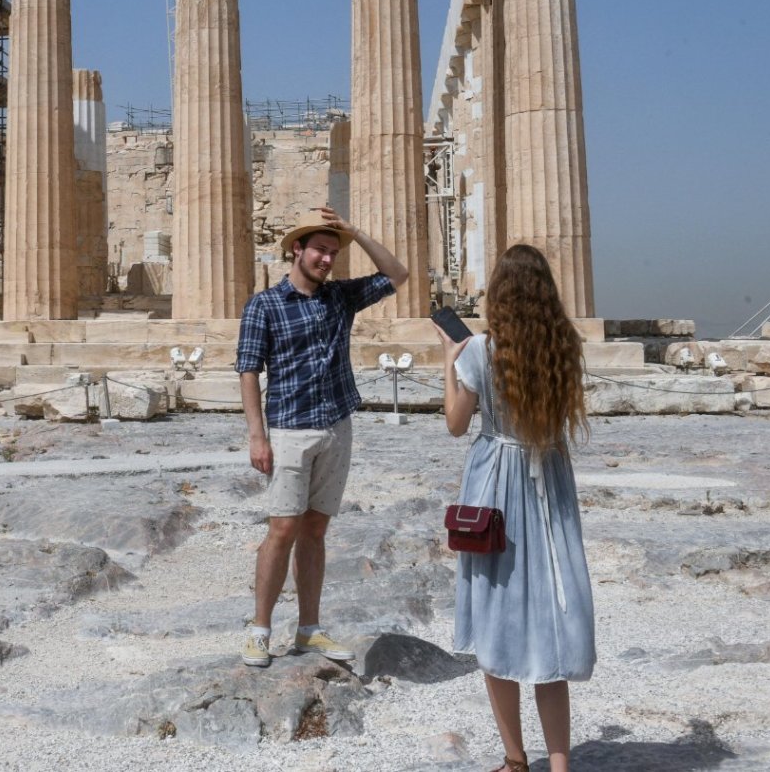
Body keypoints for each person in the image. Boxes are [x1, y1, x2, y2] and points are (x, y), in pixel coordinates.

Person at [442, 244, 595, 772]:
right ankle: (560, 765)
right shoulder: (565, 348)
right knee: (550, 616)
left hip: (496, 488)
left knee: (496, 620)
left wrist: (450, 361)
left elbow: (456, 424)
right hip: (549, 482)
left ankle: (514, 759)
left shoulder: (480, 352)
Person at [234, 207, 408, 667]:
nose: (327, 260)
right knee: (282, 528)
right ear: (298, 250)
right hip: (290, 427)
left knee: (316, 529)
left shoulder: (341, 299)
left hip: (336, 425)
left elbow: (397, 273)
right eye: (320, 250)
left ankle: (309, 629)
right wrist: (257, 436)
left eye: (333, 253)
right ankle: (259, 629)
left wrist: (356, 231)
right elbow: (248, 369)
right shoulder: (264, 305)